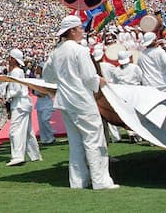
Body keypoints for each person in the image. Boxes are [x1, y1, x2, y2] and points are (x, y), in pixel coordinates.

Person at [43, 16, 119, 190]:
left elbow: (47, 76)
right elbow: (89, 77)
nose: (82, 31)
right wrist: (98, 81)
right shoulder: (80, 50)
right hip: (81, 101)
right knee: (94, 140)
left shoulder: (56, 52)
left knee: (76, 143)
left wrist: (65, 78)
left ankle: (78, 181)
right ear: (72, 31)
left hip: (65, 101)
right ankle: (100, 181)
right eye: (80, 28)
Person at [5, 48, 42, 166]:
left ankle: (18, 156)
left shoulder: (15, 72)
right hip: (23, 103)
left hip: (19, 103)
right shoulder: (17, 71)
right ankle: (35, 155)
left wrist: (7, 96)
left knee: (14, 130)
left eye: (10, 57)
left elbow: (16, 90)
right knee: (27, 131)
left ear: (13, 59)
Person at [32, 64, 55, 145]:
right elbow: (34, 91)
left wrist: (44, 93)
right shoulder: (37, 79)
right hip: (39, 102)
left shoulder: (48, 79)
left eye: (38, 68)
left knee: (45, 120)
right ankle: (45, 139)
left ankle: (51, 136)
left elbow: (51, 91)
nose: (37, 69)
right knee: (41, 122)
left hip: (47, 102)